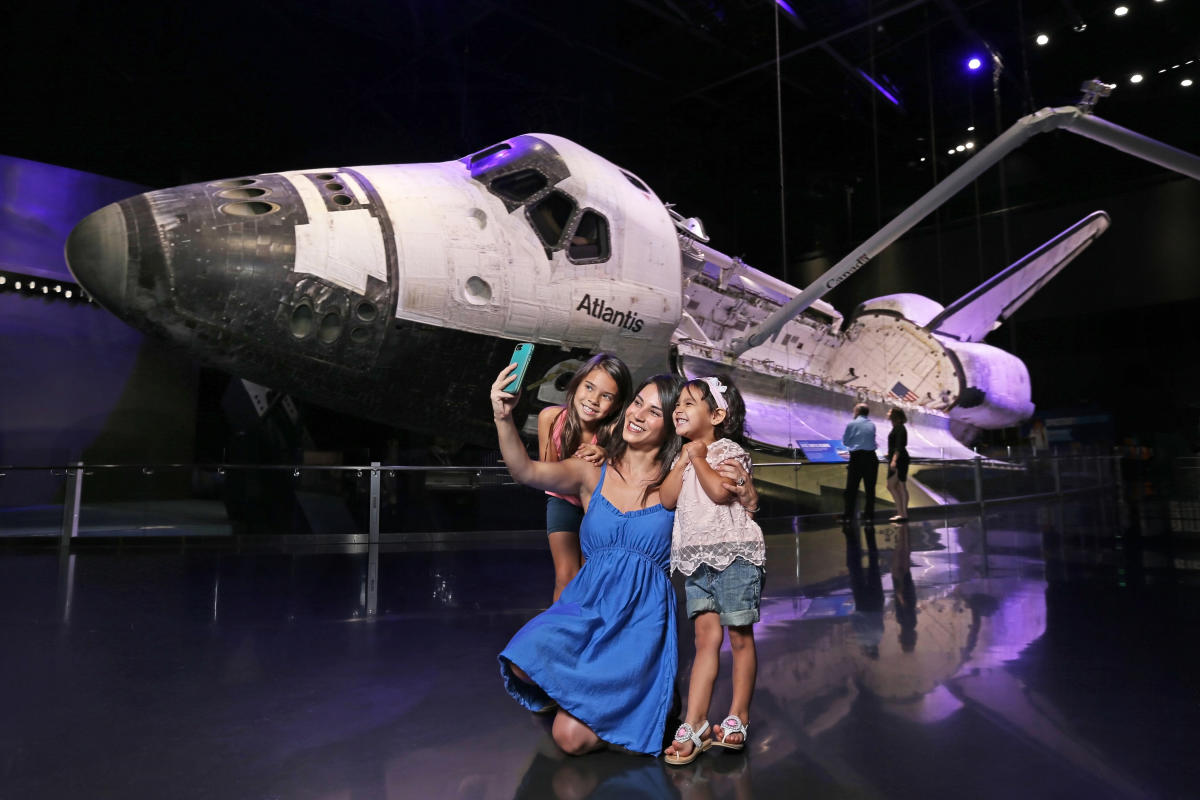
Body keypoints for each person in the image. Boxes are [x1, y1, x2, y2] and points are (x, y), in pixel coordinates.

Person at [491, 365, 685, 756]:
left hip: (641, 623)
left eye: (653, 412)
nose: (637, 414)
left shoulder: (679, 482)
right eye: (636, 404)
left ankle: (655, 699)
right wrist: (503, 417)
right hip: (589, 606)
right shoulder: (590, 471)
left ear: (671, 427)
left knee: (570, 739)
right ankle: (592, 691)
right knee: (522, 659)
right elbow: (524, 471)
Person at [659, 376, 764, 765]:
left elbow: (721, 492)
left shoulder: (728, 450)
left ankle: (739, 716)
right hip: (696, 561)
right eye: (677, 404)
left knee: (739, 638)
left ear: (717, 414)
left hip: (736, 555)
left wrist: (699, 457)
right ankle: (697, 722)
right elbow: (668, 500)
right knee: (705, 642)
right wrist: (685, 459)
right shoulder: (685, 454)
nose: (678, 410)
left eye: (689, 403)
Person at [537, 354, 632, 601]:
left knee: (593, 576)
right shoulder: (551, 418)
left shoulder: (617, 431)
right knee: (565, 576)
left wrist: (607, 454)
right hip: (562, 501)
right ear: (577, 383)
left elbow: (629, 478)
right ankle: (559, 635)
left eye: (606, 396)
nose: (593, 399)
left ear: (617, 404)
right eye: (589, 387)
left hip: (600, 506)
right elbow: (548, 475)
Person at [841, 402, 879, 523]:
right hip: (871, 458)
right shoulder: (872, 425)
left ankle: (848, 517)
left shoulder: (852, 424)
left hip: (857, 458)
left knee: (851, 489)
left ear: (857, 412)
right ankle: (869, 517)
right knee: (870, 490)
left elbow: (846, 442)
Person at [885, 407, 910, 522]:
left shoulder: (900, 428)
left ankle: (902, 513)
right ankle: (902, 513)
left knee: (895, 485)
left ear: (895, 415)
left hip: (899, 460)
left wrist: (894, 460)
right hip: (898, 458)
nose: (888, 413)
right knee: (899, 486)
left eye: (890, 412)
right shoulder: (897, 427)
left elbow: (899, 446)